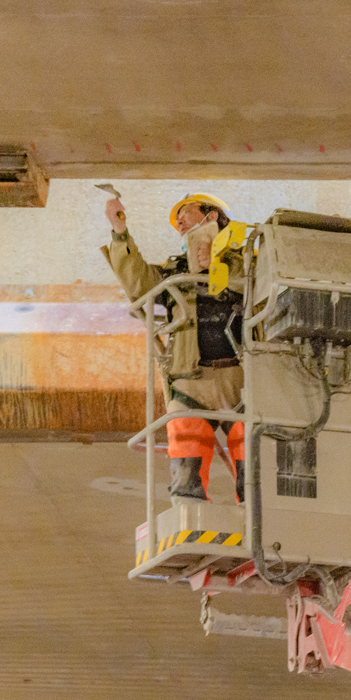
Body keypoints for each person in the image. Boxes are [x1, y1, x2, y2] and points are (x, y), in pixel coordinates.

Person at [102, 193, 247, 502]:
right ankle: (191, 519)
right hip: (191, 379)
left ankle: (258, 521)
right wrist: (119, 232)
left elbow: (268, 289)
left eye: (186, 212)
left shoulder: (247, 262)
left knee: (254, 465)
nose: (179, 221)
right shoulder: (175, 272)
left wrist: (222, 266)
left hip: (242, 379)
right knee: (186, 465)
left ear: (212, 216)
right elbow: (139, 283)